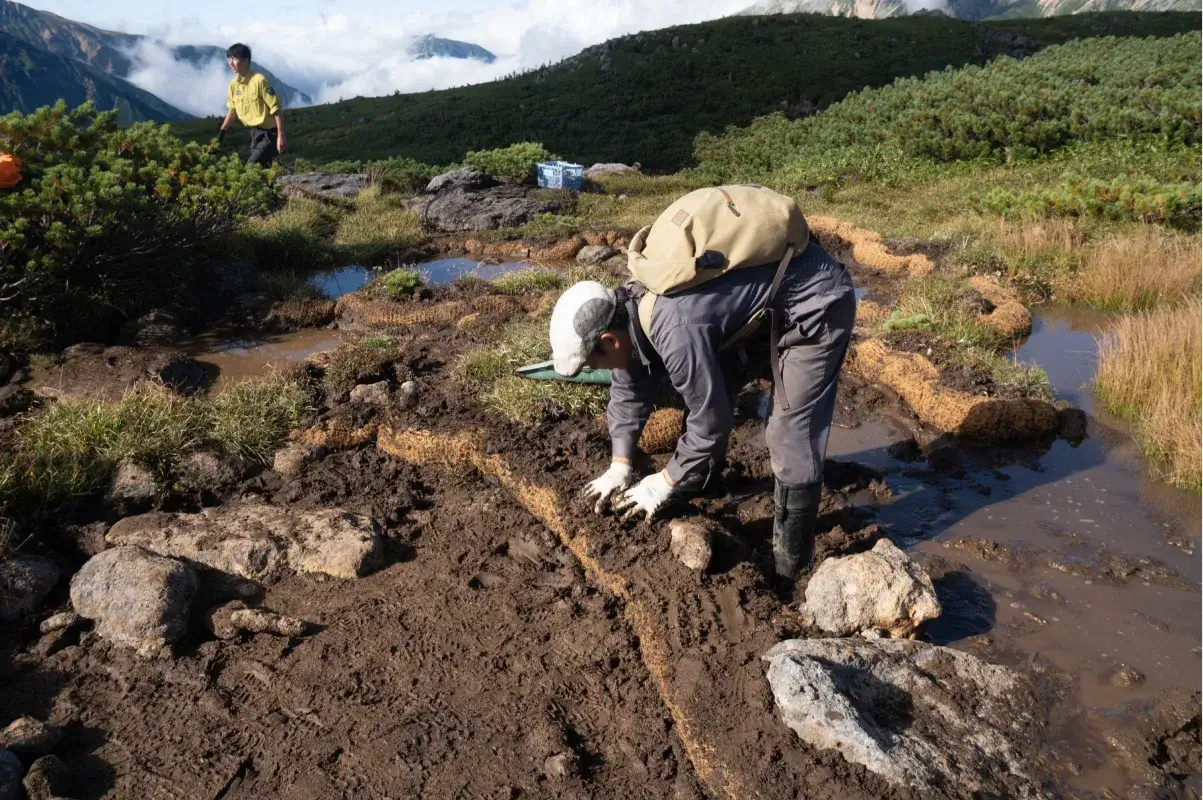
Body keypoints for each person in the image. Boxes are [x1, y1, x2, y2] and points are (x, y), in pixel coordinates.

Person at [548, 189, 856, 580]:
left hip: (815, 301)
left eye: (593, 362)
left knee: (790, 431)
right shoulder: (629, 308)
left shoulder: (674, 329)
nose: (598, 369)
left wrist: (662, 482)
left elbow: (711, 421)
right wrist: (619, 465)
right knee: (711, 385)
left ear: (609, 340)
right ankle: (698, 476)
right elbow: (629, 389)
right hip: (765, 304)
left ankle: (792, 562)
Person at [219, 43, 286, 167]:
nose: (231, 63)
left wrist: (280, 136)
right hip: (255, 133)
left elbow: (276, 108)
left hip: (270, 134)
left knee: (251, 166)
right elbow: (232, 110)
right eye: (229, 58)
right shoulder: (234, 84)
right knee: (262, 169)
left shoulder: (259, 80)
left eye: (235, 58)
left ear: (245, 61)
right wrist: (221, 134)